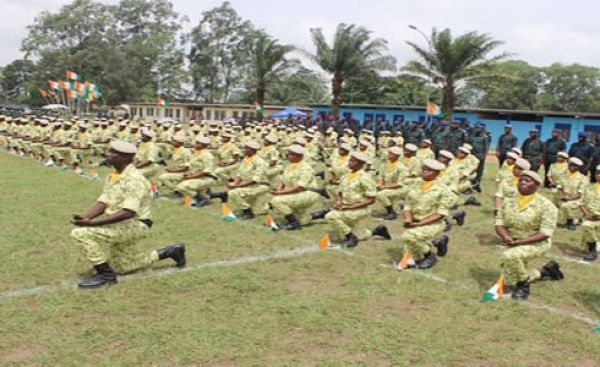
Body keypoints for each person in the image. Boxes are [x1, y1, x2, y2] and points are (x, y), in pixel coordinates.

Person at [71, 141, 186, 289]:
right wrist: (87, 217)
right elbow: (104, 201)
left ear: (125, 158)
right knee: (122, 267)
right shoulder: (114, 176)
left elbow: (128, 212)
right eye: (110, 151)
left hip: (136, 224)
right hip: (122, 223)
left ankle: (105, 275)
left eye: (113, 153)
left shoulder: (134, 179)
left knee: (81, 234)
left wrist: (92, 224)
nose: (108, 155)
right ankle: (170, 252)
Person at [494, 170, 564, 300]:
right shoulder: (509, 201)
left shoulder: (547, 206)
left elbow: (545, 233)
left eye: (527, 181)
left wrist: (519, 243)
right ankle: (546, 271)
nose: (522, 183)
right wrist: (506, 237)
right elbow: (499, 223)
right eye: (520, 180)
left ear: (537, 185)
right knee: (509, 280)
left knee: (510, 255)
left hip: (536, 243)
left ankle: (523, 286)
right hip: (513, 241)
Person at [324, 151, 390, 247]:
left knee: (331, 217)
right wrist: (338, 203)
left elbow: (371, 200)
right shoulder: (345, 176)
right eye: (350, 160)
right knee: (361, 235)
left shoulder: (365, 178)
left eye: (352, 161)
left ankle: (351, 237)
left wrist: (350, 207)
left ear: (360, 164)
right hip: (346, 206)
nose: (349, 162)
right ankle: (378, 230)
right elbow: (340, 192)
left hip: (361, 208)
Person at [398, 159, 453, 269]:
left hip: (433, 223)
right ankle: (437, 242)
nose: (424, 172)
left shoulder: (444, 190)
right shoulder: (415, 184)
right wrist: (408, 219)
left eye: (428, 170)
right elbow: (407, 205)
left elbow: (440, 214)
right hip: (415, 221)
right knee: (409, 251)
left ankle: (430, 256)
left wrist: (419, 224)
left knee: (407, 237)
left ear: (436, 173)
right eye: (423, 169)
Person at [269, 145, 321, 230]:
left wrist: (280, 193)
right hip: (296, 193)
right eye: (289, 154)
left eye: (292, 155)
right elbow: (283, 180)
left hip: (307, 194)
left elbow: (300, 187)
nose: (289, 156)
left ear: (300, 156)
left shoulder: (305, 168)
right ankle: (321, 213)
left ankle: (294, 224)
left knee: (276, 201)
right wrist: (279, 188)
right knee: (303, 221)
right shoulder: (290, 166)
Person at [376, 146, 409, 220]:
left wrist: (384, 187)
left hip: (400, 188)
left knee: (380, 194)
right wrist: (380, 185)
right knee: (380, 194)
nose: (388, 154)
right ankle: (399, 208)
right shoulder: (384, 165)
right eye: (389, 153)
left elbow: (399, 184)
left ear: (396, 156)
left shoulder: (402, 167)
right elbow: (380, 177)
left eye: (391, 153)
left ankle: (391, 213)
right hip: (389, 187)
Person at [556, 157, 588, 230]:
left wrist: (568, 199)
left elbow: (580, 194)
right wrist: (562, 196)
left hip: (577, 200)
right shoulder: (563, 176)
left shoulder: (583, 178)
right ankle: (577, 219)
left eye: (574, 166)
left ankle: (570, 222)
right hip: (564, 198)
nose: (571, 167)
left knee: (566, 205)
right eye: (570, 165)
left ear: (578, 167)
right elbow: (559, 188)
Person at [579, 166, 600, 261]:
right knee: (587, 225)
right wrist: (587, 214)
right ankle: (592, 250)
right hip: (590, 218)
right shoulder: (589, 187)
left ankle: (593, 249)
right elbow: (581, 203)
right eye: (598, 173)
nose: (599, 175)